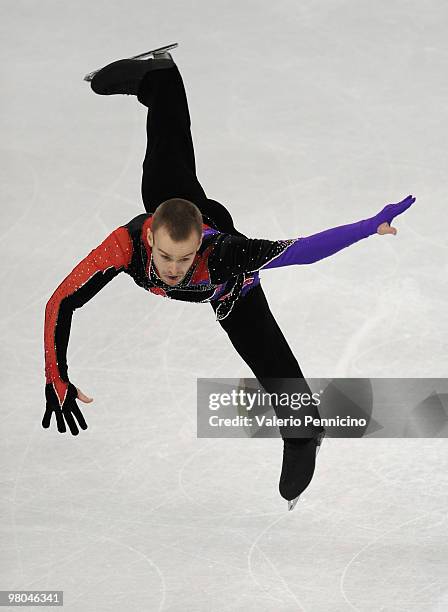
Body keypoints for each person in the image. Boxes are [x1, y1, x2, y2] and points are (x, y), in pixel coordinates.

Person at [42, 43, 416, 510]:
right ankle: (158, 77)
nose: (174, 271)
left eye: (183, 259)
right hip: (173, 199)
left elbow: (303, 252)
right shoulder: (124, 245)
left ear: (198, 243)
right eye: (165, 258)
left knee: (286, 385)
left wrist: (368, 227)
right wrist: (56, 373)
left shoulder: (225, 259)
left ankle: (303, 436)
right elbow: (61, 301)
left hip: (225, 286)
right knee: (166, 162)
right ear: (150, 236)